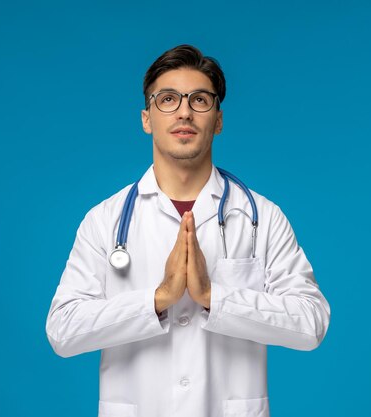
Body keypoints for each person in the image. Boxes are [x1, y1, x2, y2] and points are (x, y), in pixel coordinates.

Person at [45, 44, 331, 417]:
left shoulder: (262, 216)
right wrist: (158, 299)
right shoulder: (105, 220)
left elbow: (311, 322)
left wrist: (214, 296)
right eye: (167, 99)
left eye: (199, 100)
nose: (184, 111)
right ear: (146, 118)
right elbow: (63, 331)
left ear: (218, 119)